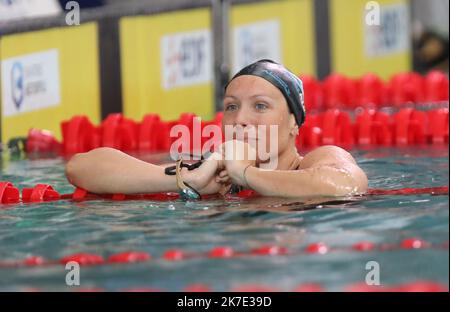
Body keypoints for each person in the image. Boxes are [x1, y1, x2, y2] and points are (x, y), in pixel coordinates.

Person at [65, 60, 368, 199]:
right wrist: (188, 179)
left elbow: (344, 185)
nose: (241, 119)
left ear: (293, 122)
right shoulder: (217, 173)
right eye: (232, 107)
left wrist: (248, 175)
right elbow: (81, 167)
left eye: (260, 106)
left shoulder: (318, 160)